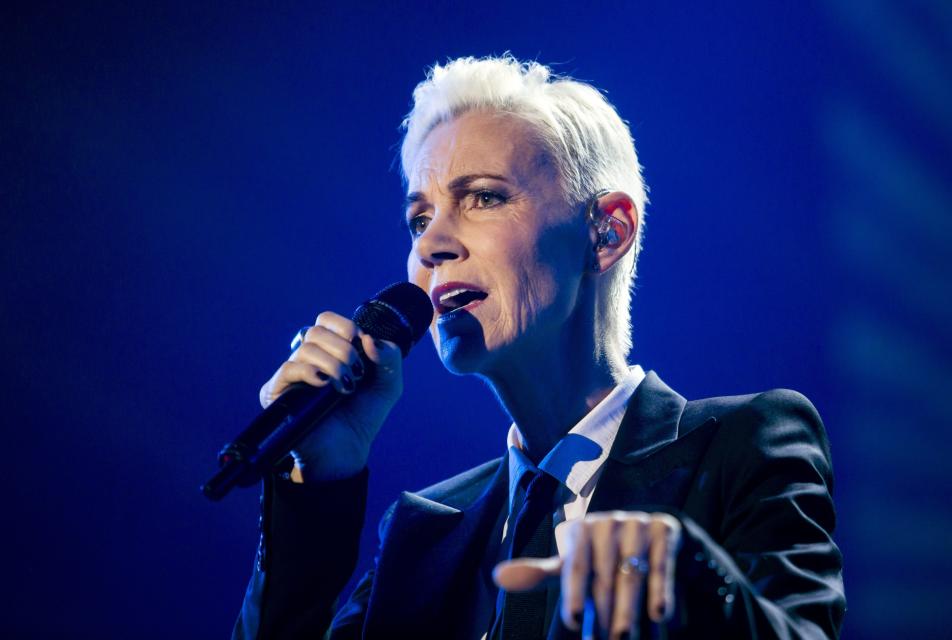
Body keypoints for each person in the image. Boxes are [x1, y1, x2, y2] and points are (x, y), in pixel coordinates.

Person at [233, 56, 845, 639]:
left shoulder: (745, 445)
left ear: (607, 232)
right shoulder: (424, 532)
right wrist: (318, 488)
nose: (433, 244)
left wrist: (679, 574)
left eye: (484, 197)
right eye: (419, 219)